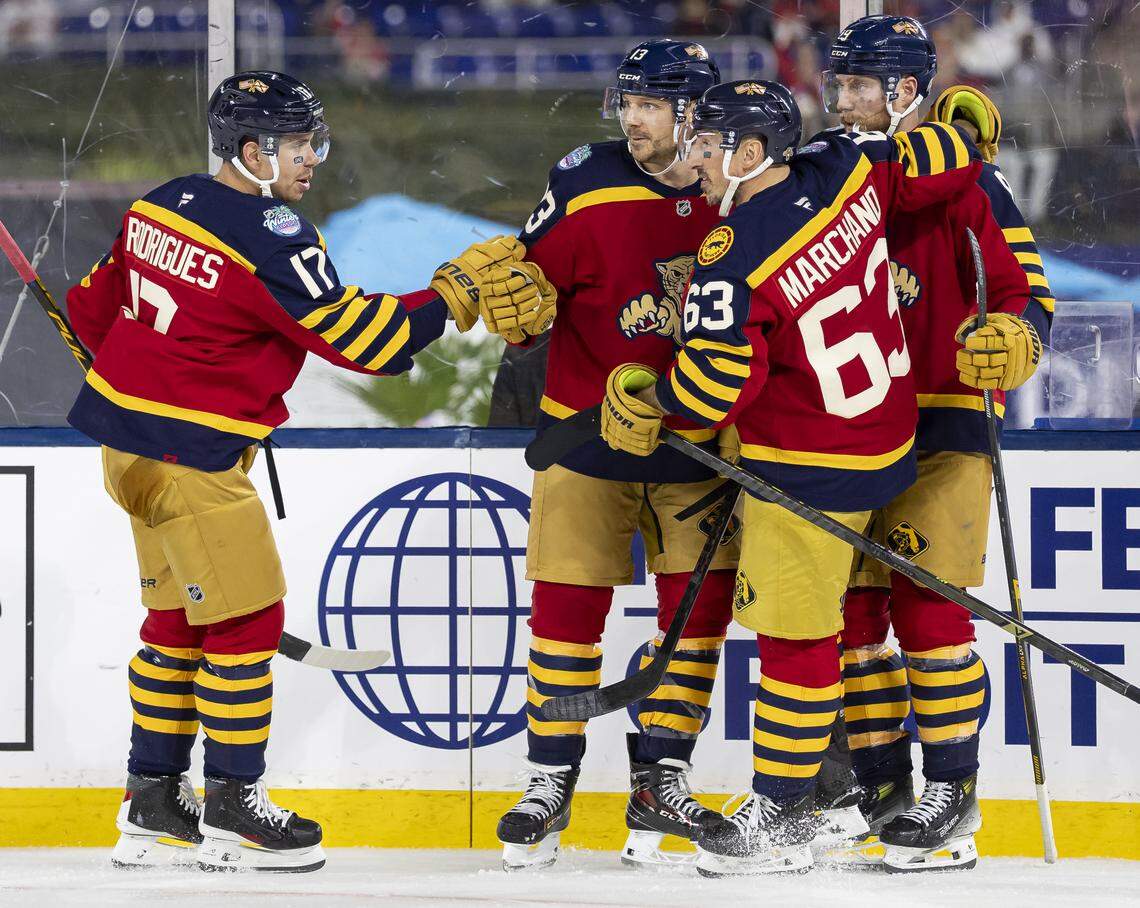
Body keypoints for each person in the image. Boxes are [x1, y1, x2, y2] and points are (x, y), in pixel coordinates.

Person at [65, 70, 552, 873]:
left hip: (129, 454)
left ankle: (151, 798)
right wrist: (451, 295)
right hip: (194, 462)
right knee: (247, 625)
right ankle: (231, 803)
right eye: (299, 145)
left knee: (179, 623)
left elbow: (90, 310)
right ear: (253, 151)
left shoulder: (160, 203)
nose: (313, 160)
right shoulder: (272, 230)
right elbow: (369, 343)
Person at [599, 78, 986, 876]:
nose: (693, 159)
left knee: (797, 646)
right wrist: (957, 127)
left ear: (748, 153)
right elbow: (943, 162)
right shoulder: (846, 166)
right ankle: (939, 794)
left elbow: (713, 395)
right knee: (911, 635)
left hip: (806, 475)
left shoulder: (729, 258)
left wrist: (649, 399)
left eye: (706, 145)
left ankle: (784, 813)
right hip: (892, 448)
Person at [495, 39, 738, 872]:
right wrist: (518, 305)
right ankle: (548, 780)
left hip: (696, 441)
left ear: (695, 114)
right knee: (565, 614)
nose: (631, 118)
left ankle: (660, 778)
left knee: (695, 621)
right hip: (585, 429)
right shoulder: (584, 180)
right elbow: (529, 300)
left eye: (650, 104)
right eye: (626, 103)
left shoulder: (739, 192)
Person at [820, 15, 1053, 872]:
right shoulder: (827, 175)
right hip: (842, 426)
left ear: (908, 92)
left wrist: (1014, 338)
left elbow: (1028, 292)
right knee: (850, 615)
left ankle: (952, 793)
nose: (841, 100)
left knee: (929, 607)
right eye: (838, 84)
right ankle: (879, 787)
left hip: (945, 417)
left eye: (858, 87)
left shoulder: (972, 185)